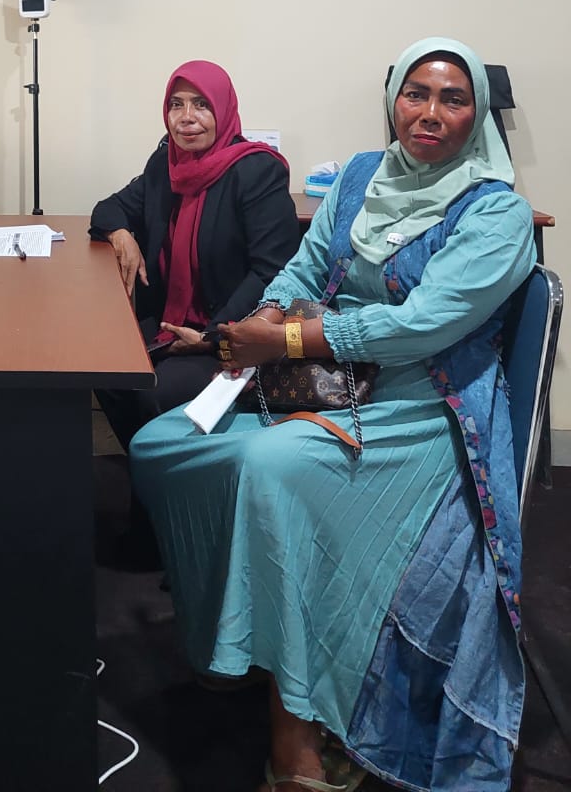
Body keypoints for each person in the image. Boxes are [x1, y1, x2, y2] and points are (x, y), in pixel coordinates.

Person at [130, 38, 537, 792]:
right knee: (162, 444)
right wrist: (263, 318)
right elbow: (307, 266)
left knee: (268, 468)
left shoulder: (497, 214)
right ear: (394, 100)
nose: (430, 113)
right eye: (416, 93)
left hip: (422, 398)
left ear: (477, 114)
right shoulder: (359, 176)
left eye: (453, 99)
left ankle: (298, 728)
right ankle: (242, 642)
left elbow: (422, 326)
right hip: (325, 378)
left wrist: (285, 340)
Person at [90, 60, 299, 449]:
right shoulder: (167, 163)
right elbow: (108, 208)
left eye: (201, 104)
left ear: (223, 110)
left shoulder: (256, 171)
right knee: (100, 370)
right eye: (176, 104)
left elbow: (272, 272)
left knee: (155, 393)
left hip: (232, 333)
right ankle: (148, 470)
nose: (186, 117)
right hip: (169, 326)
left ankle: (163, 472)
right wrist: (121, 234)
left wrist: (210, 336)